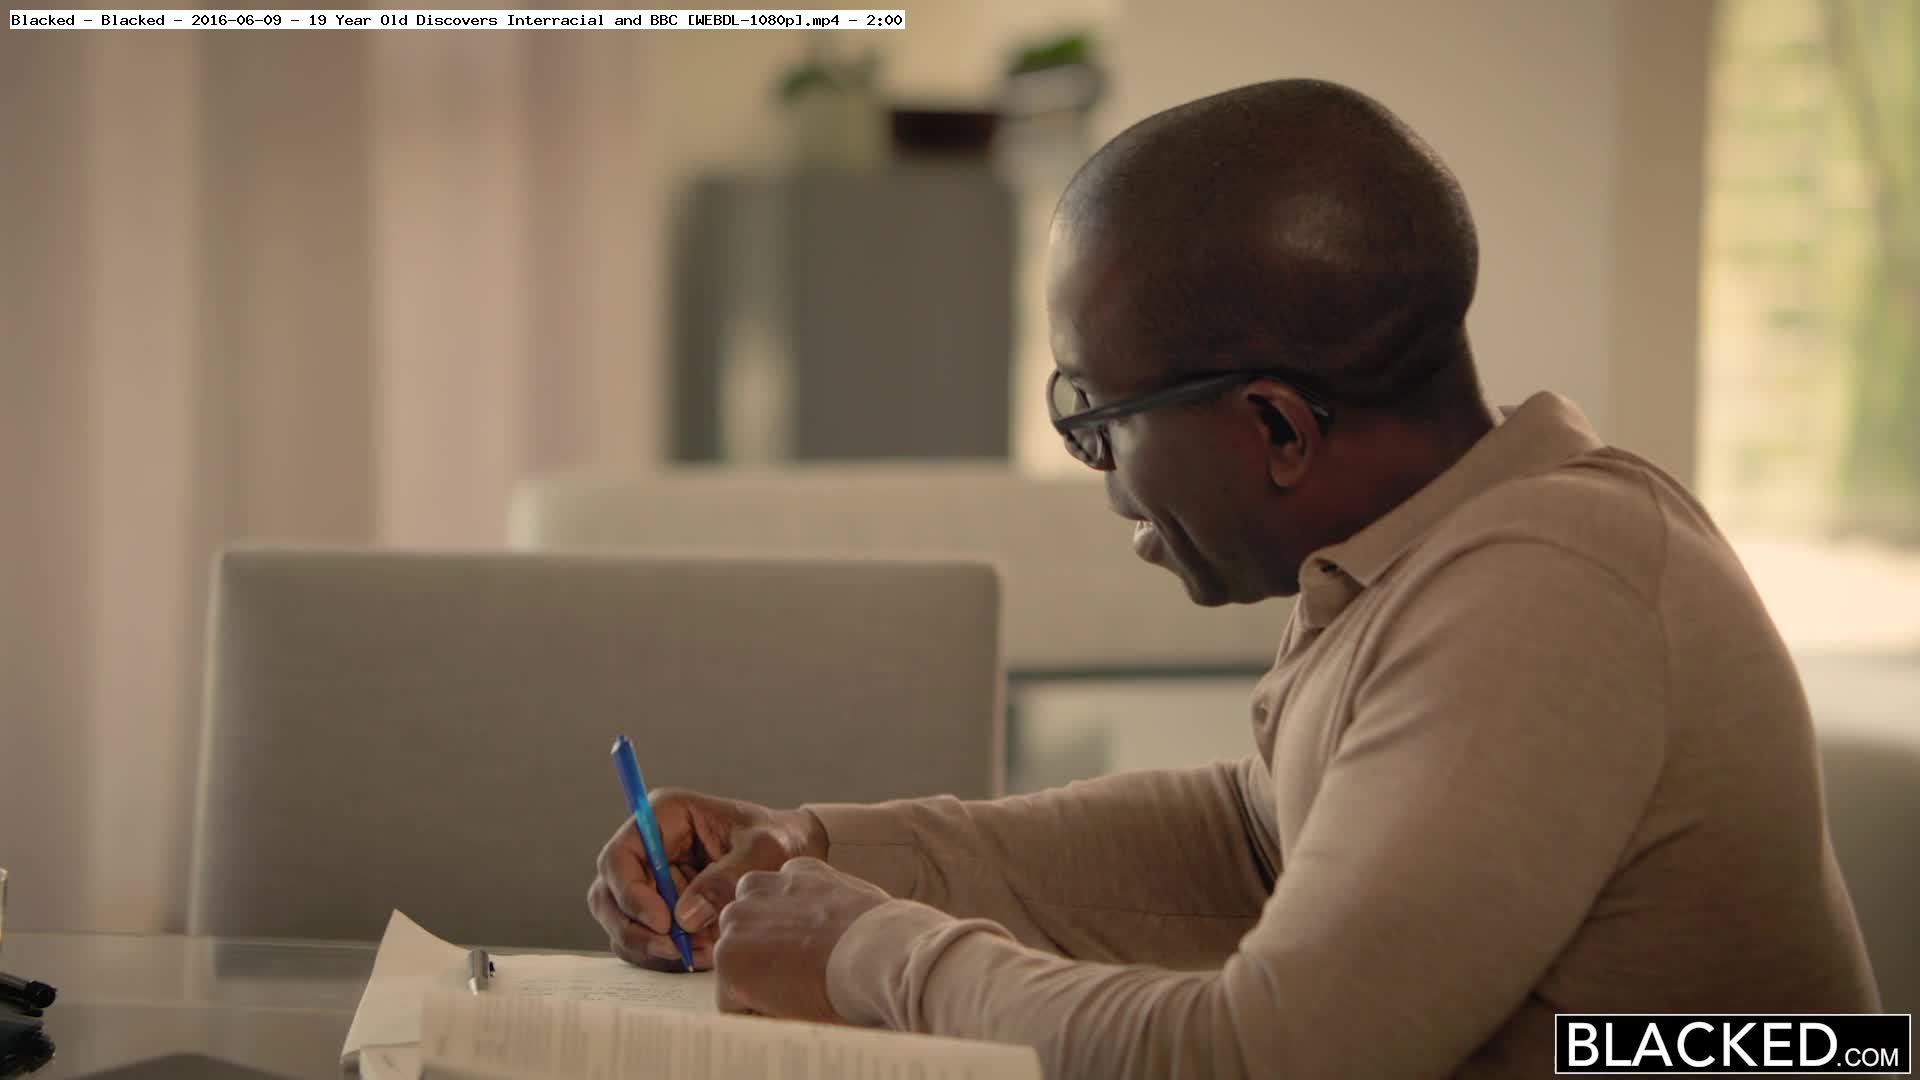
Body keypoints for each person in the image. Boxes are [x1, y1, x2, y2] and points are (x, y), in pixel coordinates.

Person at [588, 78, 1880, 1077]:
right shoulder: (1437, 555)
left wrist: (873, 953)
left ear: (1274, 427)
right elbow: (1252, 841)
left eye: (1098, 418)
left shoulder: (1548, 592)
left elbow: (1262, 1058)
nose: (1103, 479)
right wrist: (817, 849)